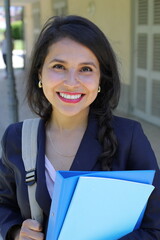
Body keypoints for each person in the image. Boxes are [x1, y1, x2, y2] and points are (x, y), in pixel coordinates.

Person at [0, 15, 160, 240]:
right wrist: (16, 231)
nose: (72, 82)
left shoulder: (128, 137)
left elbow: (155, 227)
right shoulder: (17, 137)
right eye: (59, 66)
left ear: (100, 80)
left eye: (86, 69)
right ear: (40, 73)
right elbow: (4, 203)